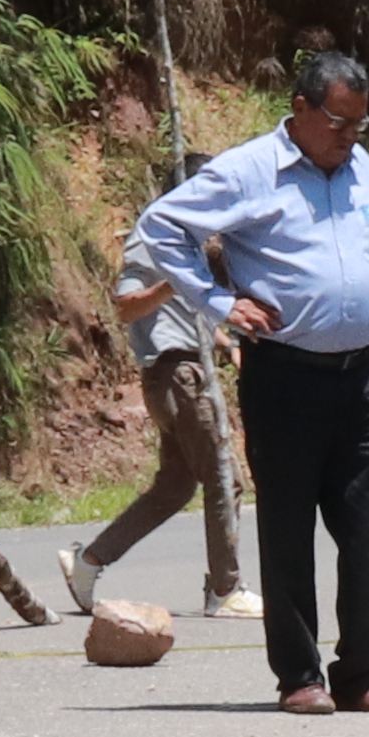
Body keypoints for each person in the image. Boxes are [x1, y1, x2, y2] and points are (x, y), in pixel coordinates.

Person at [130, 52, 369, 716]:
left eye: (359, 124)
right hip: (285, 375)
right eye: (338, 122)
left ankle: (358, 672)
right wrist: (218, 303)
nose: (348, 137)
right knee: (288, 529)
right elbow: (162, 228)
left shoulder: (363, 169)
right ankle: (299, 677)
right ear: (301, 108)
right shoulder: (249, 170)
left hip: (360, 377)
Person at [60, 229, 254, 623]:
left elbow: (189, 315)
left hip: (184, 372)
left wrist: (228, 344)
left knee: (174, 487)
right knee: (224, 477)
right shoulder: (152, 244)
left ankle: (89, 559)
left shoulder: (190, 249)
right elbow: (127, 307)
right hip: (177, 375)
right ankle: (225, 589)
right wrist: (172, 282)